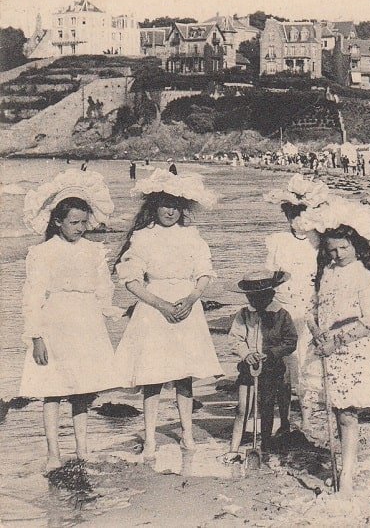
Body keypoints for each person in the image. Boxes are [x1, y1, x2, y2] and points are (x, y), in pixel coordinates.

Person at [112, 170, 222, 461]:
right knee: (153, 376)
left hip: (187, 306)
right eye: (164, 204)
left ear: (182, 208)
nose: (170, 211)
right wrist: (160, 304)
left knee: (184, 376)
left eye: (175, 205)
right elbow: (132, 280)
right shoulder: (143, 237)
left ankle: (187, 432)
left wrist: (192, 297)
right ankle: (149, 438)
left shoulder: (191, 235)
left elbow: (204, 271)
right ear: (154, 207)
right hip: (153, 309)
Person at [295, 196, 370, 493]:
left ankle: (348, 473)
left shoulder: (364, 276)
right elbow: (311, 307)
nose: (338, 254)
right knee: (332, 411)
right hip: (324, 346)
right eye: (332, 249)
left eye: (344, 248)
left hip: (351, 349)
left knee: (348, 413)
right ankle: (339, 464)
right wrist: (316, 331)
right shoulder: (325, 272)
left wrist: (337, 340)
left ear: (357, 247)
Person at [20, 170, 118, 470]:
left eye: (83, 223)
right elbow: (32, 297)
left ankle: (82, 448)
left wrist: (110, 313)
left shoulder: (93, 250)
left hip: (86, 323)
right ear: (57, 222)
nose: (79, 228)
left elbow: (104, 289)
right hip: (55, 323)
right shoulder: (43, 252)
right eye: (73, 223)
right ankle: (53, 453)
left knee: (81, 389)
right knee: (53, 389)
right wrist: (36, 336)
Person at [263, 174, 330, 435]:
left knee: (308, 365)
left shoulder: (319, 242)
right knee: (284, 367)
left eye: (302, 215)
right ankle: (285, 421)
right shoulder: (278, 241)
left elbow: (325, 277)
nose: (297, 222)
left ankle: (308, 418)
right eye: (292, 216)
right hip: (283, 309)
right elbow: (271, 279)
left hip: (311, 309)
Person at [225, 270, 298, 459]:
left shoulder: (281, 315)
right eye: (251, 297)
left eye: (259, 297)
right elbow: (235, 339)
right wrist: (246, 354)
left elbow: (290, 341)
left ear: (271, 294)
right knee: (243, 408)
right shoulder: (243, 315)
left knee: (266, 406)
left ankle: (265, 444)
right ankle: (234, 448)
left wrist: (270, 354)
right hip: (249, 369)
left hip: (272, 369)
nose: (254, 301)